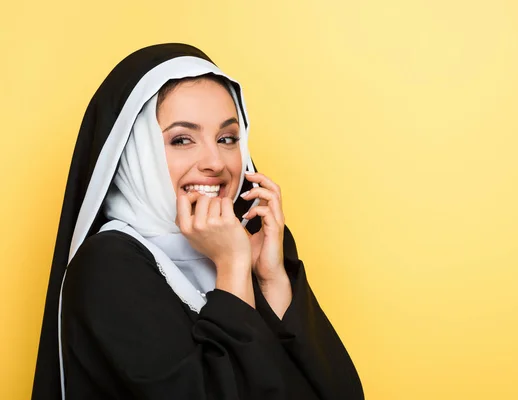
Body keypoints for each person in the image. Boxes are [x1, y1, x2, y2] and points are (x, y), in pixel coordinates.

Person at [32, 43, 363, 400]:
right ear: (136, 153)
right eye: (182, 139)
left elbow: (342, 392)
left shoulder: (253, 242)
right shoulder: (107, 267)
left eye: (227, 138)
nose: (216, 163)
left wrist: (272, 280)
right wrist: (232, 267)